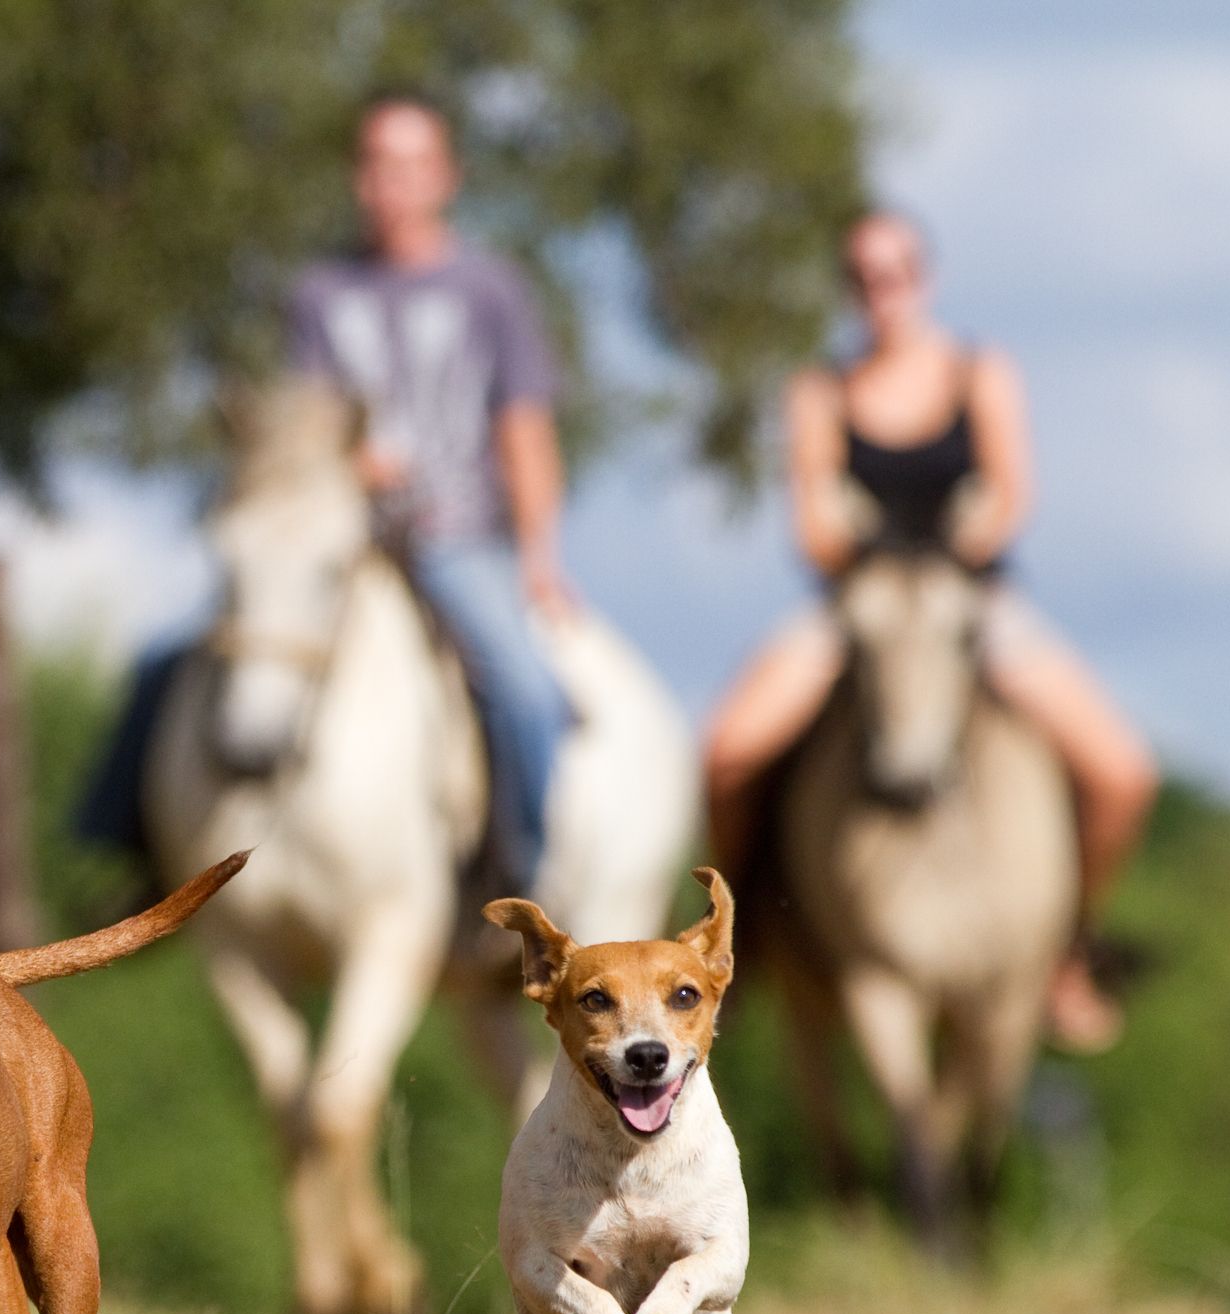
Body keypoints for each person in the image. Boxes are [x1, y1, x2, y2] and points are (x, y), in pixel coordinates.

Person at [78, 91, 576, 890]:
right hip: (337, 539)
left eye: (412, 164)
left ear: (445, 176)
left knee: (527, 690)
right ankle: (143, 861)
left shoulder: (492, 289)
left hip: (455, 537)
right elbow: (302, 427)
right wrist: (347, 466)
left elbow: (524, 429)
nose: (394, 181)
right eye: (378, 163)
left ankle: (519, 878)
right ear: (357, 177)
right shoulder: (320, 292)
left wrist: (540, 560)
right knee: (174, 660)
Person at [700, 210, 1158, 1052]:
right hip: (861, 608)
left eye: (896, 272)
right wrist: (872, 562)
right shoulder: (820, 390)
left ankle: (1068, 946)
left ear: (925, 277)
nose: (882, 291)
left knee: (1122, 774)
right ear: (848, 288)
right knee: (727, 751)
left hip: (969, 603)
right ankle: (746, 940)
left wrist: (951, 554)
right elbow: (813, 527)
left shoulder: (980, 372)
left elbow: (1012, 496)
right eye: (863, 277)